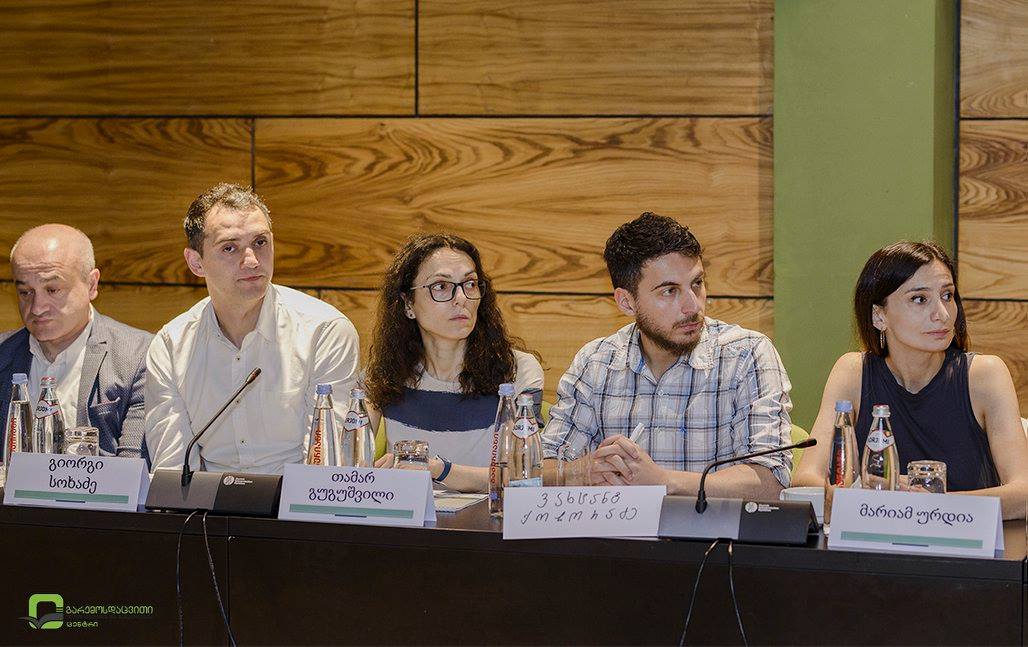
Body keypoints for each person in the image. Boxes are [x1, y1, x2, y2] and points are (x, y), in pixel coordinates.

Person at [541, 212, 793, 497]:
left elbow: (771, 483)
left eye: (697, 284)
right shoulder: (595, 362)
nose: (692, 306)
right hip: (617, 526)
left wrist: (663, 481)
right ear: (626, 302)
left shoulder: (747, 355)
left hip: (710, 527)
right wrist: (584, 470)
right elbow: (538, 472)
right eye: (670, 291)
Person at [792, 241, 1028, 519]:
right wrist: (873, 490)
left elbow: (1023, 494)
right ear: (879, 315)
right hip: (875, 543)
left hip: (967, 542)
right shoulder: (853, 372)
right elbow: (805, 481)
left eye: (947, 295)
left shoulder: (984, 374)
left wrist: (924, 505)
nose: (942, 314)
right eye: (920, 299)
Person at [144, 183, 360, 474]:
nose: (252, 261)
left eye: (260, 242)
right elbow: (174, 473)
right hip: (209, 501)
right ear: (196, 263)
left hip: (297, 499)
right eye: (229, 248)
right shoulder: (170, 347)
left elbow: (325, 468)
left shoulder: (325, 332)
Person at [365, 233, 543, 492]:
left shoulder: (517, 371)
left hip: (488, 516)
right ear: (408, 304)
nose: (461, 298)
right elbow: (346, 463)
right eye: (441, 286)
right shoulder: (383, 374)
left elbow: (526, 473)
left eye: (470, 284)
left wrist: (439, 470)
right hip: (410, 515)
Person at [1, 224, 151, 459]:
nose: (37, 308)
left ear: (91, 284)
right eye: (25, 292)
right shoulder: (4, 353)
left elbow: (133, 469)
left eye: (52, 290)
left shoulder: (139, 356)